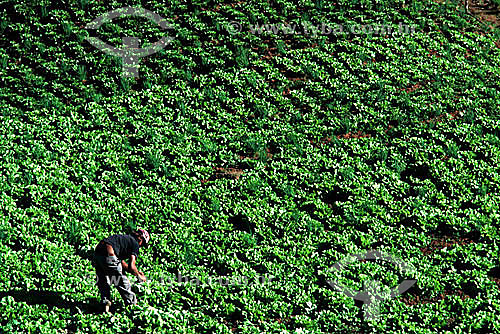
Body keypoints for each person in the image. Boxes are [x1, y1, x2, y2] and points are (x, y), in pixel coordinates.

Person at [93, 229, 150, 312]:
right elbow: (131, 266)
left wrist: (135, 272)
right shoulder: (135, 243)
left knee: (103, 281)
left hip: (98, 253)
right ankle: (133, 307)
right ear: (140, 238)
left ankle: (105, 305)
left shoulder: (125, 239)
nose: (141, 246)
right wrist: (139, 276)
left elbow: (121, 263)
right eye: (143, 244)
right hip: (109, 253)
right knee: (122, 282)